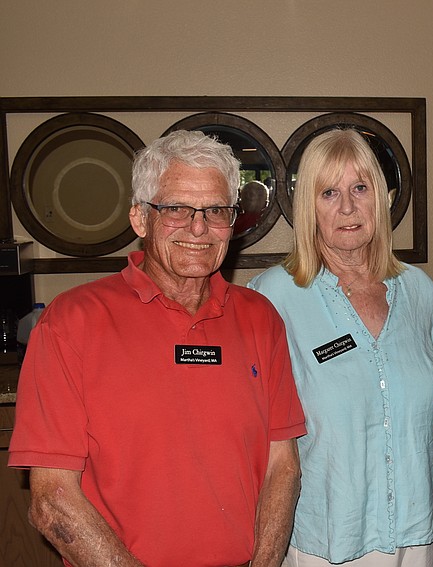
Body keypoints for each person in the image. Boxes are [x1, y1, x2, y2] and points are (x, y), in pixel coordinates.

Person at [8, 130, 306, 567]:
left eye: (216, 210)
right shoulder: (71, 322)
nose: (198, 228)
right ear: (140, 218)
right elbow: (52, 501)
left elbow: (284, 468)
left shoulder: (261, 318)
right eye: (176, 209)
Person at [248, 128, 433, 566]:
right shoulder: (271, 298)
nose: (348, 207)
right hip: (324, 538)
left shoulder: (420, 293)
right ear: (307, 207)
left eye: (361, 187)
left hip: (417, 534)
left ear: (381, 197)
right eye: (329, 193)